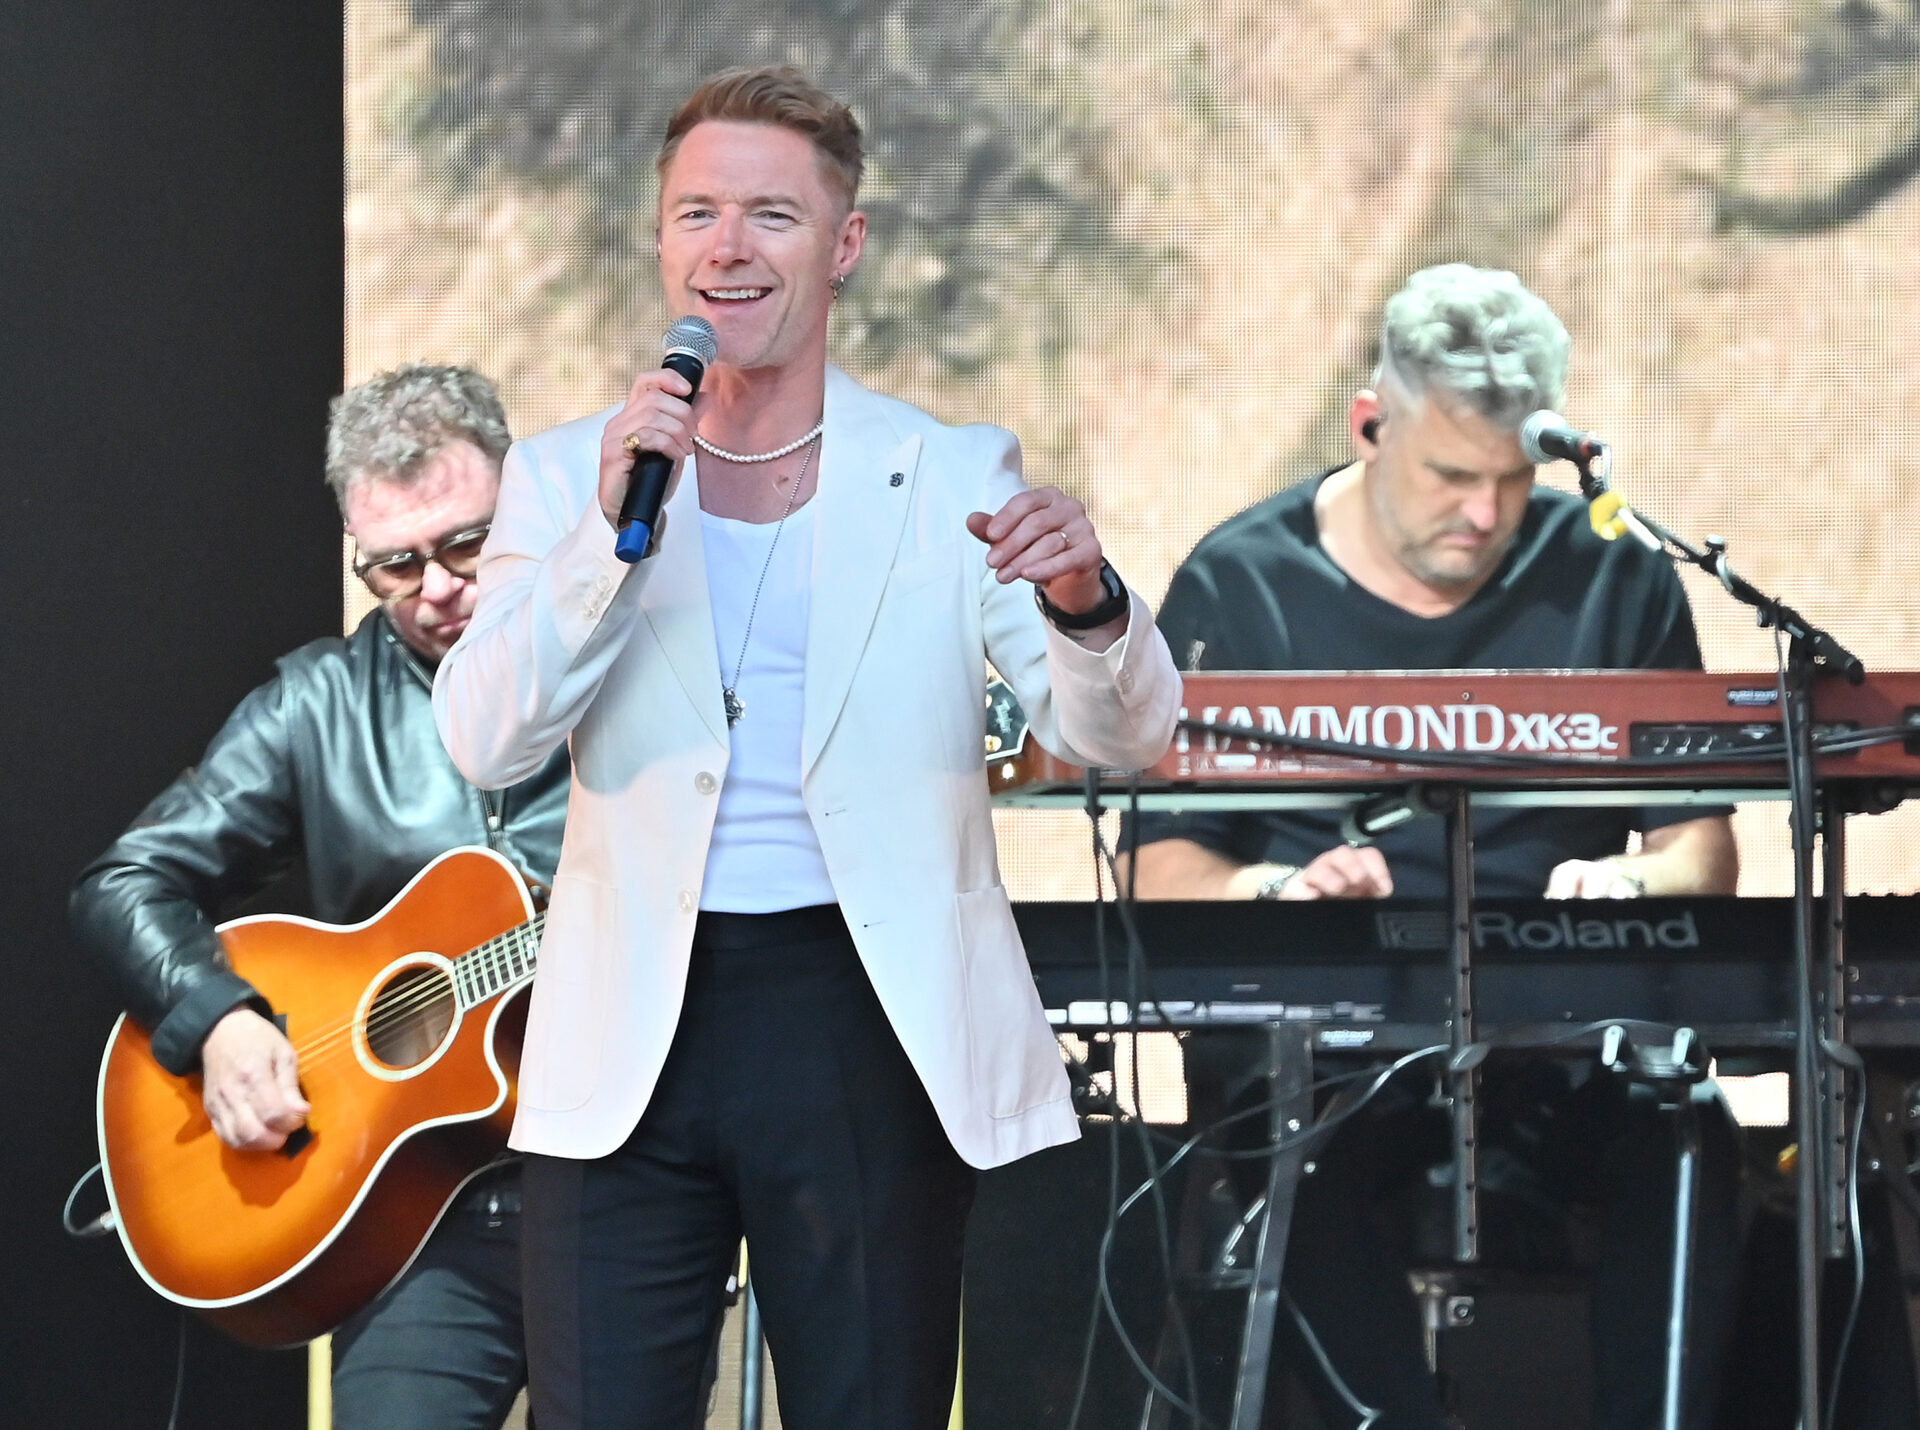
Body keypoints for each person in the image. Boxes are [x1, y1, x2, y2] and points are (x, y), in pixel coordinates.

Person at [431, 64, 1181, 1430]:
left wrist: (1089, 604)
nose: (728, 246)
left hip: (860, 1010)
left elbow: (1117, 735)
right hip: (628, 1021)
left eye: (771, 214)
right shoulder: (561, 477)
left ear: (844, 245)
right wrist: (607, 535)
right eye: (697, 212)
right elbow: (487, 738)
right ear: (662, 241)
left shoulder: (949, 473)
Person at [1124, 265, 1741, 1429]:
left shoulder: (1616, 569)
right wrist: (1280, 888)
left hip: (1561, 1031)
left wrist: (1629, 878)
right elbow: (1159, 869)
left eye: (1514, 478)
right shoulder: (1240, 578)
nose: (1486, 513)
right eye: (1453, 475)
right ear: (1370, 424)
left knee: (1685, 1125)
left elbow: (1700, 848)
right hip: (1324, 1045)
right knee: (1281, 1139)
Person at [71, 364, 568, 1430]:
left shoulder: (629, 668)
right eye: (395, 564)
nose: (436, 588)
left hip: (616, 1194)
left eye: (466, 544)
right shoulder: (316, 705)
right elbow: (126, 880)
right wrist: (217, 1018)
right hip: (407, 1226)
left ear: (522, 501)